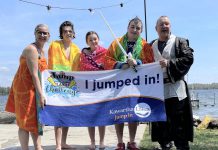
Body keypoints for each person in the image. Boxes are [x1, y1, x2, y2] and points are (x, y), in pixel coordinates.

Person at [104, 17, 154, 150]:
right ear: (127, 27)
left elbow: (150, 62)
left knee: (133, 113)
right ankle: (120, 142)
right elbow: (107, 60)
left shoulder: (145, 46)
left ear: (141, 31)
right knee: (118, 112)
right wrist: (120, 64)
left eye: (138, 28)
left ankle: (132, 141)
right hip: (118, 85)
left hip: (136, 85)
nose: (134, 30)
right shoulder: (116, 43)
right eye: (132, 26)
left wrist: (139, 62)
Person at [150, 16, 194, 150]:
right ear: (156, 28)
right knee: (162, 123)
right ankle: (165, 146)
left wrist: (169, 63)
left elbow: (188, 58)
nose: (164, 26)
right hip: (158, 90)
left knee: (179, 123)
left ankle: (182, 147)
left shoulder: (179, 42)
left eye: (167, 24)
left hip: (176, 88)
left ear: (170, 26)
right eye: (161, 24)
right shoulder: (151, 45)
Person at [5, 24, 50, 150]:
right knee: (25, 121)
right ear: (35, 33)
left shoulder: (42, 51)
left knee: (37, 119)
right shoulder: (31, 49)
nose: (42, 35)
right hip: (25, 89)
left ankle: (38, 146)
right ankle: (25, 148)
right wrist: (41, 95)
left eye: (45, 33)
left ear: (49, 35)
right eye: (39, 32)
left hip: (35, 87)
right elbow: (34, 75)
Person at [48, 21, 80, 150]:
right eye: (65, 31)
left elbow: (78, 70)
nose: (68, 33)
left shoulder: (77, 49)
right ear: (61, 33)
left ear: (73, 33)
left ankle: (64, 142)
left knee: (67, 115)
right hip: (56, 85)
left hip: (70, 86)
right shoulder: (54, 45)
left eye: (70, 31)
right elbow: (50, 64)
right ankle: (58, 145)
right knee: (58, 115)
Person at [80, 31, 107, 149]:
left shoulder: (105, 53)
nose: (93, 41)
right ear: (87, 42)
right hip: (88, 90)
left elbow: (109, 67)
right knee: (90, 117)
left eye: (95, 39)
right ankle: (92, 141)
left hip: (102, 89)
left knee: (101, 116)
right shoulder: (83, 55)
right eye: (90, 40)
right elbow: (81, 70)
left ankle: (101, 141)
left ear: (98, 39)